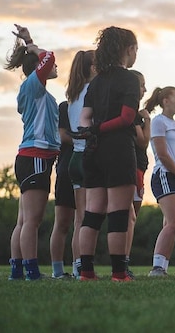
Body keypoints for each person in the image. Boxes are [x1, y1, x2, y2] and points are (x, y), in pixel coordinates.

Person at [73, 26, 139, 282]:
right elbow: (127, 118)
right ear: (128, 50)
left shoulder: (96, 81)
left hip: (93, 151)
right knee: (118, 212)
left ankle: (86, 272)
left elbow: (84, 119)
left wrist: (91, 133)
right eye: (135, 50)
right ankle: (119, 273)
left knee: (92, 212)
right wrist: (101, 129)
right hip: (118, 150)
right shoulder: (130, 79)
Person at [5, 24, 60, 281]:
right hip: (35, 157)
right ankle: (32, 272)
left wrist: (29, 41)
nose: (54, 69)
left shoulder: (35, 90)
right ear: (37, 69)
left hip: (31, 157)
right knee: (33, 221)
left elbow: (44, 62)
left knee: (24, 220)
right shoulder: (33, 87)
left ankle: (17, 270)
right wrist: (33, 46)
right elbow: (49, 58)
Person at [146, 86, 175, 277]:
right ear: (166, 101)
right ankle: (156, 268)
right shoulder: (158, 122)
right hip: (165, 174)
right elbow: (162, 154)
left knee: (171, 224)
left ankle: (163, 267)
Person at [66, 50, 97, 278]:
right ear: (93, 68)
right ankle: (85, 268)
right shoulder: (92, 92)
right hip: (88, 157)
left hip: (75, 159)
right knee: (89, 218)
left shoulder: (73, 95)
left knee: (80, 218)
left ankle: (78, 267)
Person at [126, 69, 150, 278]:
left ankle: (124, 260)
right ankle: (123, 262)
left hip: (138, 169)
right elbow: (143, 141)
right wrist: (147, 120)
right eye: (142, 85)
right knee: (129, 218)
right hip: (133, 169)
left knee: (130, 218)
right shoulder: (133, 114)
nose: (145, 89)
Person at [49, 100, 76, 279]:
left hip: (90, 170)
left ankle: (79, 267)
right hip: (66, 169)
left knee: (83, 221)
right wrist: (85, 140)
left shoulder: (96, 105)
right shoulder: (66, 106)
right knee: (62, 223)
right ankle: (57, 271)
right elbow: (61, 134)